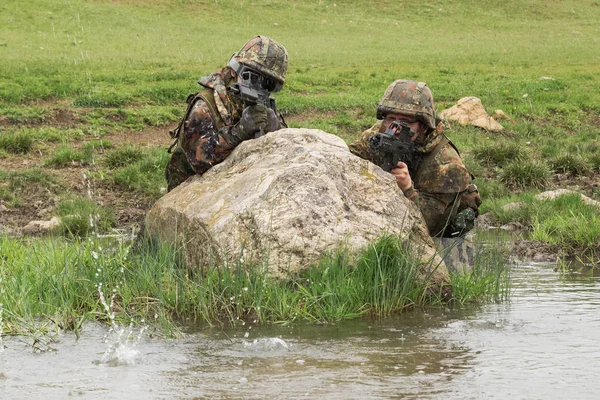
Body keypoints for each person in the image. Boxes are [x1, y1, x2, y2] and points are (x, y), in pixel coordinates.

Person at [349, 80, 481, 237]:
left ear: (424, 126)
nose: (395, 128)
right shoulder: (380, 133)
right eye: (391, 118)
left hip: (442, 234)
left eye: (406, 122)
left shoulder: (446, 164)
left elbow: (428, 224)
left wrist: (407, 189)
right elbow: (348, 157)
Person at [165, 36, 288, 192]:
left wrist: (277, 131)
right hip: (190, 191)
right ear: (236, 70)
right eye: (254, 77)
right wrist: (239, 132)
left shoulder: (258, 101)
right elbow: (198, 160)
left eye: (269, 83)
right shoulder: (205, 104)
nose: (260, 87)